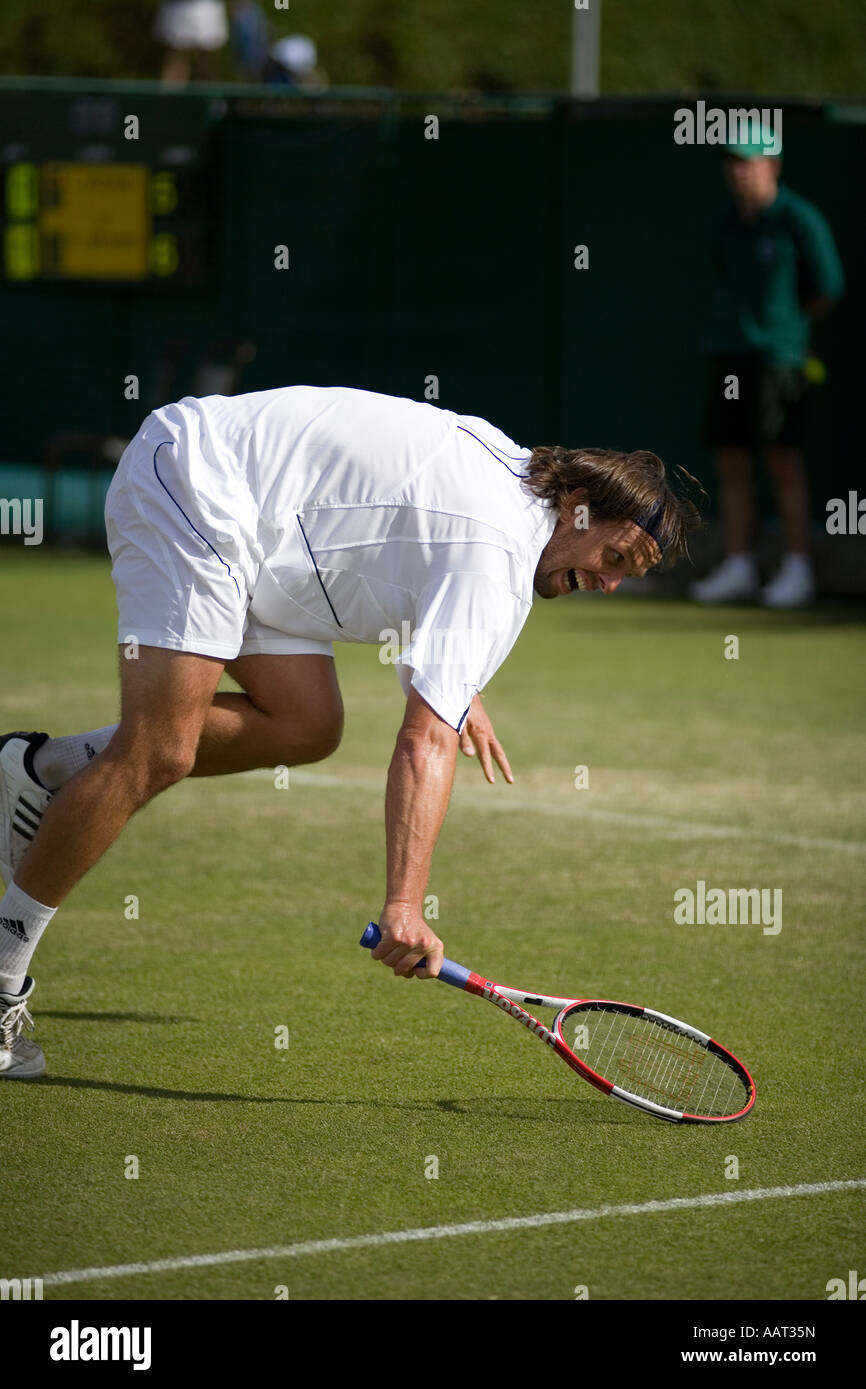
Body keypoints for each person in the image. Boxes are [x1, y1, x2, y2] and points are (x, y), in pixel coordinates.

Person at [0, 386, 699, 1077]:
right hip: (199, 481)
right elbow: (424, 740)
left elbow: (431, 547)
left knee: (308, 725)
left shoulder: (519, 487)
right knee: (159, 751)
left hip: (263, 523)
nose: (609, 585)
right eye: (615, 559)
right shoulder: (500, 552)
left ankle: (42, 770)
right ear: (580, 510)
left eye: (627, 577)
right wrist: (404, 905)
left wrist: (462, 686)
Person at [691, 132, 844, 608]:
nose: (740, 171)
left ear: (772, 166)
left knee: (783, 460)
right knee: (731, 461)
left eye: (749, 163)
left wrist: (785, 332)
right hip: (730, 354)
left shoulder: (799, 221)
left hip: (780, 358)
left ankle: (797, 568)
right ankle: (740, 564)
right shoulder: (727, 224)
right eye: (733, 163)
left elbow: (826, 289)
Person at [155, 0, 229, 86]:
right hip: (177, 8)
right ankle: (171, 97)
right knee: (177, 57)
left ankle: (208, 96)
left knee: (207, 59)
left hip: (208, 8)